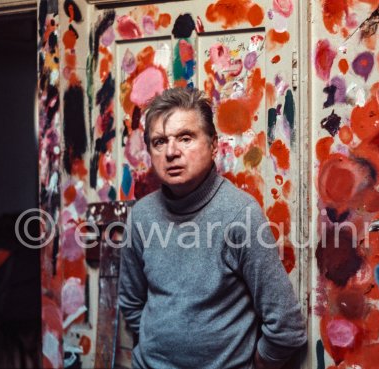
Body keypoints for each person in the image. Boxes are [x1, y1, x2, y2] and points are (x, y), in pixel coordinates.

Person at [118, 87, 307, 369]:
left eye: (186, 138)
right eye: (159, 142)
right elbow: (131, 304)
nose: (171, 152)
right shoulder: (141, 216)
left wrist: (257, 364)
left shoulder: (240, 214)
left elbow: (287, 328)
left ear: (213, 145)